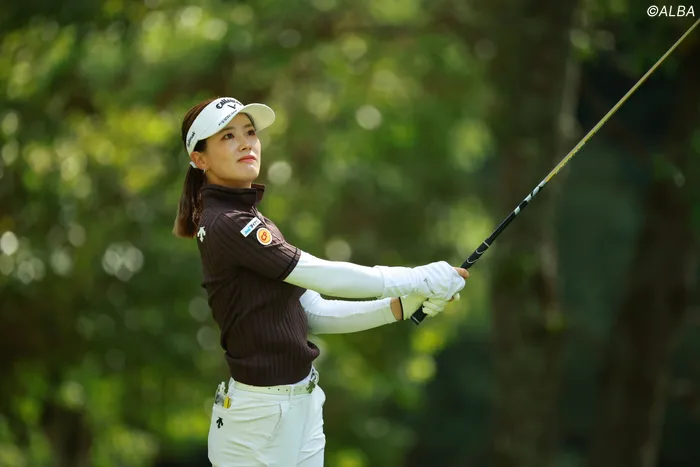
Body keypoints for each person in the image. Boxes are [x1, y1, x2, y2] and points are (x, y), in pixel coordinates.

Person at [172, 96, 469, 467]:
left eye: (250, 132)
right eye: (228, 136)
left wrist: (402, 305)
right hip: (259, 422)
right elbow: (324, 275)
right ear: (200, 159)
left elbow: (310, 311)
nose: (247, 143)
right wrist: (418, 277)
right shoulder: (230, 224)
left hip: (301, 405)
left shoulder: (251, 218)